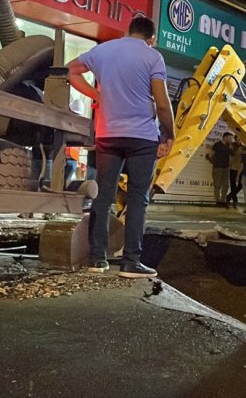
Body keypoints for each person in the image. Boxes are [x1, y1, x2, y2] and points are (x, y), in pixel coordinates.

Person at [67, 16, 174, 279]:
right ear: (152, 39)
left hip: (108, 134)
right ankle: (131, 262)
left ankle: (97, 259)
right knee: (138, 199)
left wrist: (97, 95)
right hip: (142, 138)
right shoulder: (152, 57)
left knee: (103, 197)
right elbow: (162, 103)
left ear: (129, 31)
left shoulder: (103, 50)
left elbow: (70, 71)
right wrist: (169, 133)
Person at [205, 132, 233, 207]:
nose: (231, 140)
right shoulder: (217, 145)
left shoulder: (229, 146)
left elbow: (231, 156)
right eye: (230, 138)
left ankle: (223, 200)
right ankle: (218, 201)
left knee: (226, 185)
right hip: (217, 168)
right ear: (225, 137)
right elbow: (211, 155)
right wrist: (213, 162)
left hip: (226, 168)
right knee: (217, 184)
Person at [226, 140, 243, 209]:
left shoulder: (243, 148)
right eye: (236, 139)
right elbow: (230, 157)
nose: (237, 140)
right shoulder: (232, 146)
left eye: (239, 139)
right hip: (233, 168)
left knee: (240, 185)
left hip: (240, 168)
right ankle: (234, 201)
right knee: (233, 185)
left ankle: (229, 197)